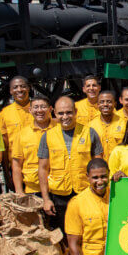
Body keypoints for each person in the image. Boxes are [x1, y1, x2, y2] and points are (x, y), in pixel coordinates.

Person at [38, 96, 104, 229]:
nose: (65, 116)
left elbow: (99, 165)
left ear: (75, 112)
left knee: (88, 230)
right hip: (59, 195)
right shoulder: (48, 136)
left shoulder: (89, 133)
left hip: (85, 192)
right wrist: (46, 199)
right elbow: (43, 169)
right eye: (61, 113)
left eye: (68, 112)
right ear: (54, 113)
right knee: (63, 233)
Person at [11, 94, 55, 194]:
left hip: (58, 188)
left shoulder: (60, 129)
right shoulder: (22, 134)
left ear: (50, 109)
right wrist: (19, 191)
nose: (39, 110)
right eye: (36, 107)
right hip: (33, 189)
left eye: (43, 107)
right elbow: (16, 165)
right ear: (30, 110)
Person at [0, 76, 33, 179]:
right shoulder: (4, 114)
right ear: (11, 91)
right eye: (15, 87)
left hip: (39, 163)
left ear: (29, 88)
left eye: (23, 86)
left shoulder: (39, 110)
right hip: (17, 166)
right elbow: (3, 145)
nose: (19, 90)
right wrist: (7, 174)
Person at [89, 90, 125, 160]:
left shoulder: (123, 123)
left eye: (109, 101)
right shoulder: (91, 126)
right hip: (99, 167)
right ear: (97, 105)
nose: (105, 104)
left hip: (119, 167)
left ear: (115, 104)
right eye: (102, 102)